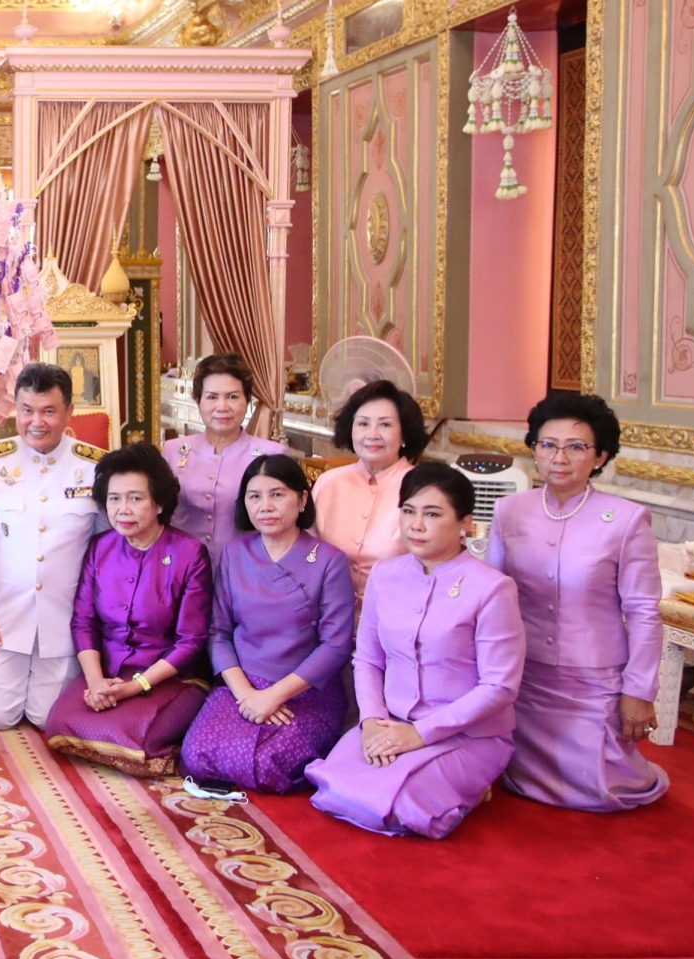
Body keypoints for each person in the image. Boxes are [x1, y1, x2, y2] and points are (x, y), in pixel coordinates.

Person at [305, 461, 526, 839]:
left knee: (403, 809)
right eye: (408, 511)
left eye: (432, 514)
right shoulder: (386, 575)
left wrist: (419, 735)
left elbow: (499, 687)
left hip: (469, 735)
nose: (415, 525)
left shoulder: (492, 588)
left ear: (465, 524)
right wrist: (372, 720)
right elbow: (369, 659)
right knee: (333, 789)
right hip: (392, 722)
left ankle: (469, 785)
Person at [491, 392, 669, 811]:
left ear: (601, 456)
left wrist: (639, 689)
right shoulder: (509, 511)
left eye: (576, 447)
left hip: (594, 681)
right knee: (507, 776)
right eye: (547, 445)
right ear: (534, 449)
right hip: (525, 677)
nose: (560, 458)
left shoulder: (627, 519)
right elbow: (493, 597)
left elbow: (643, 611)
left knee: (605, 789)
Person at [180, 454, 355, 794]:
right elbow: (219, 633)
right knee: (197, 754)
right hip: (242, 685)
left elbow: (335, 646)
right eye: (254, 496)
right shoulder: (235, 553)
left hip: (304, 690)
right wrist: (247, 695)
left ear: (302, 499)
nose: (266, 506)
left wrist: (274, 696)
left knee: (271, 762)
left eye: (278, 494)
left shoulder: (329, 560)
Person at [41, 441, 213, 776]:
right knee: (59, 724)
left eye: (135, 498)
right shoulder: (100, 547)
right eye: (114, 499)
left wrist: (135, 687)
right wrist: (95, 682)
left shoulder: (190, 554)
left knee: (137, 742)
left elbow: (191, 641)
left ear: (158, 502)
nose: (123, 510)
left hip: (169, 677)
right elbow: (84, 622)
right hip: (110, 673)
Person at [0, 362, 106, 731]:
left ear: (69, 412)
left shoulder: (95, 467)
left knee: (47, 719)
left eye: (48, 411)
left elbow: (105, 548)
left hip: (64, 618)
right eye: (27, 410)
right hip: (4, 617)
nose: (36, 422)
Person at [311, 378, 428, 597]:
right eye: (363, 424)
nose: (372, 434)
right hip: (331, 616)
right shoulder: (328, 483)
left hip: (398, 617)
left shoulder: (423, 488)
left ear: (404, 434)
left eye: (385, 424)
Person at [169, 352, 289, 560]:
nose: (222, 407)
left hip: (247, 571)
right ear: (198, 400)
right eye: (212, 397)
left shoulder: (272, 455)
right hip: (182, 570)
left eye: (232, 397)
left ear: (248, 401)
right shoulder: (172, 451)